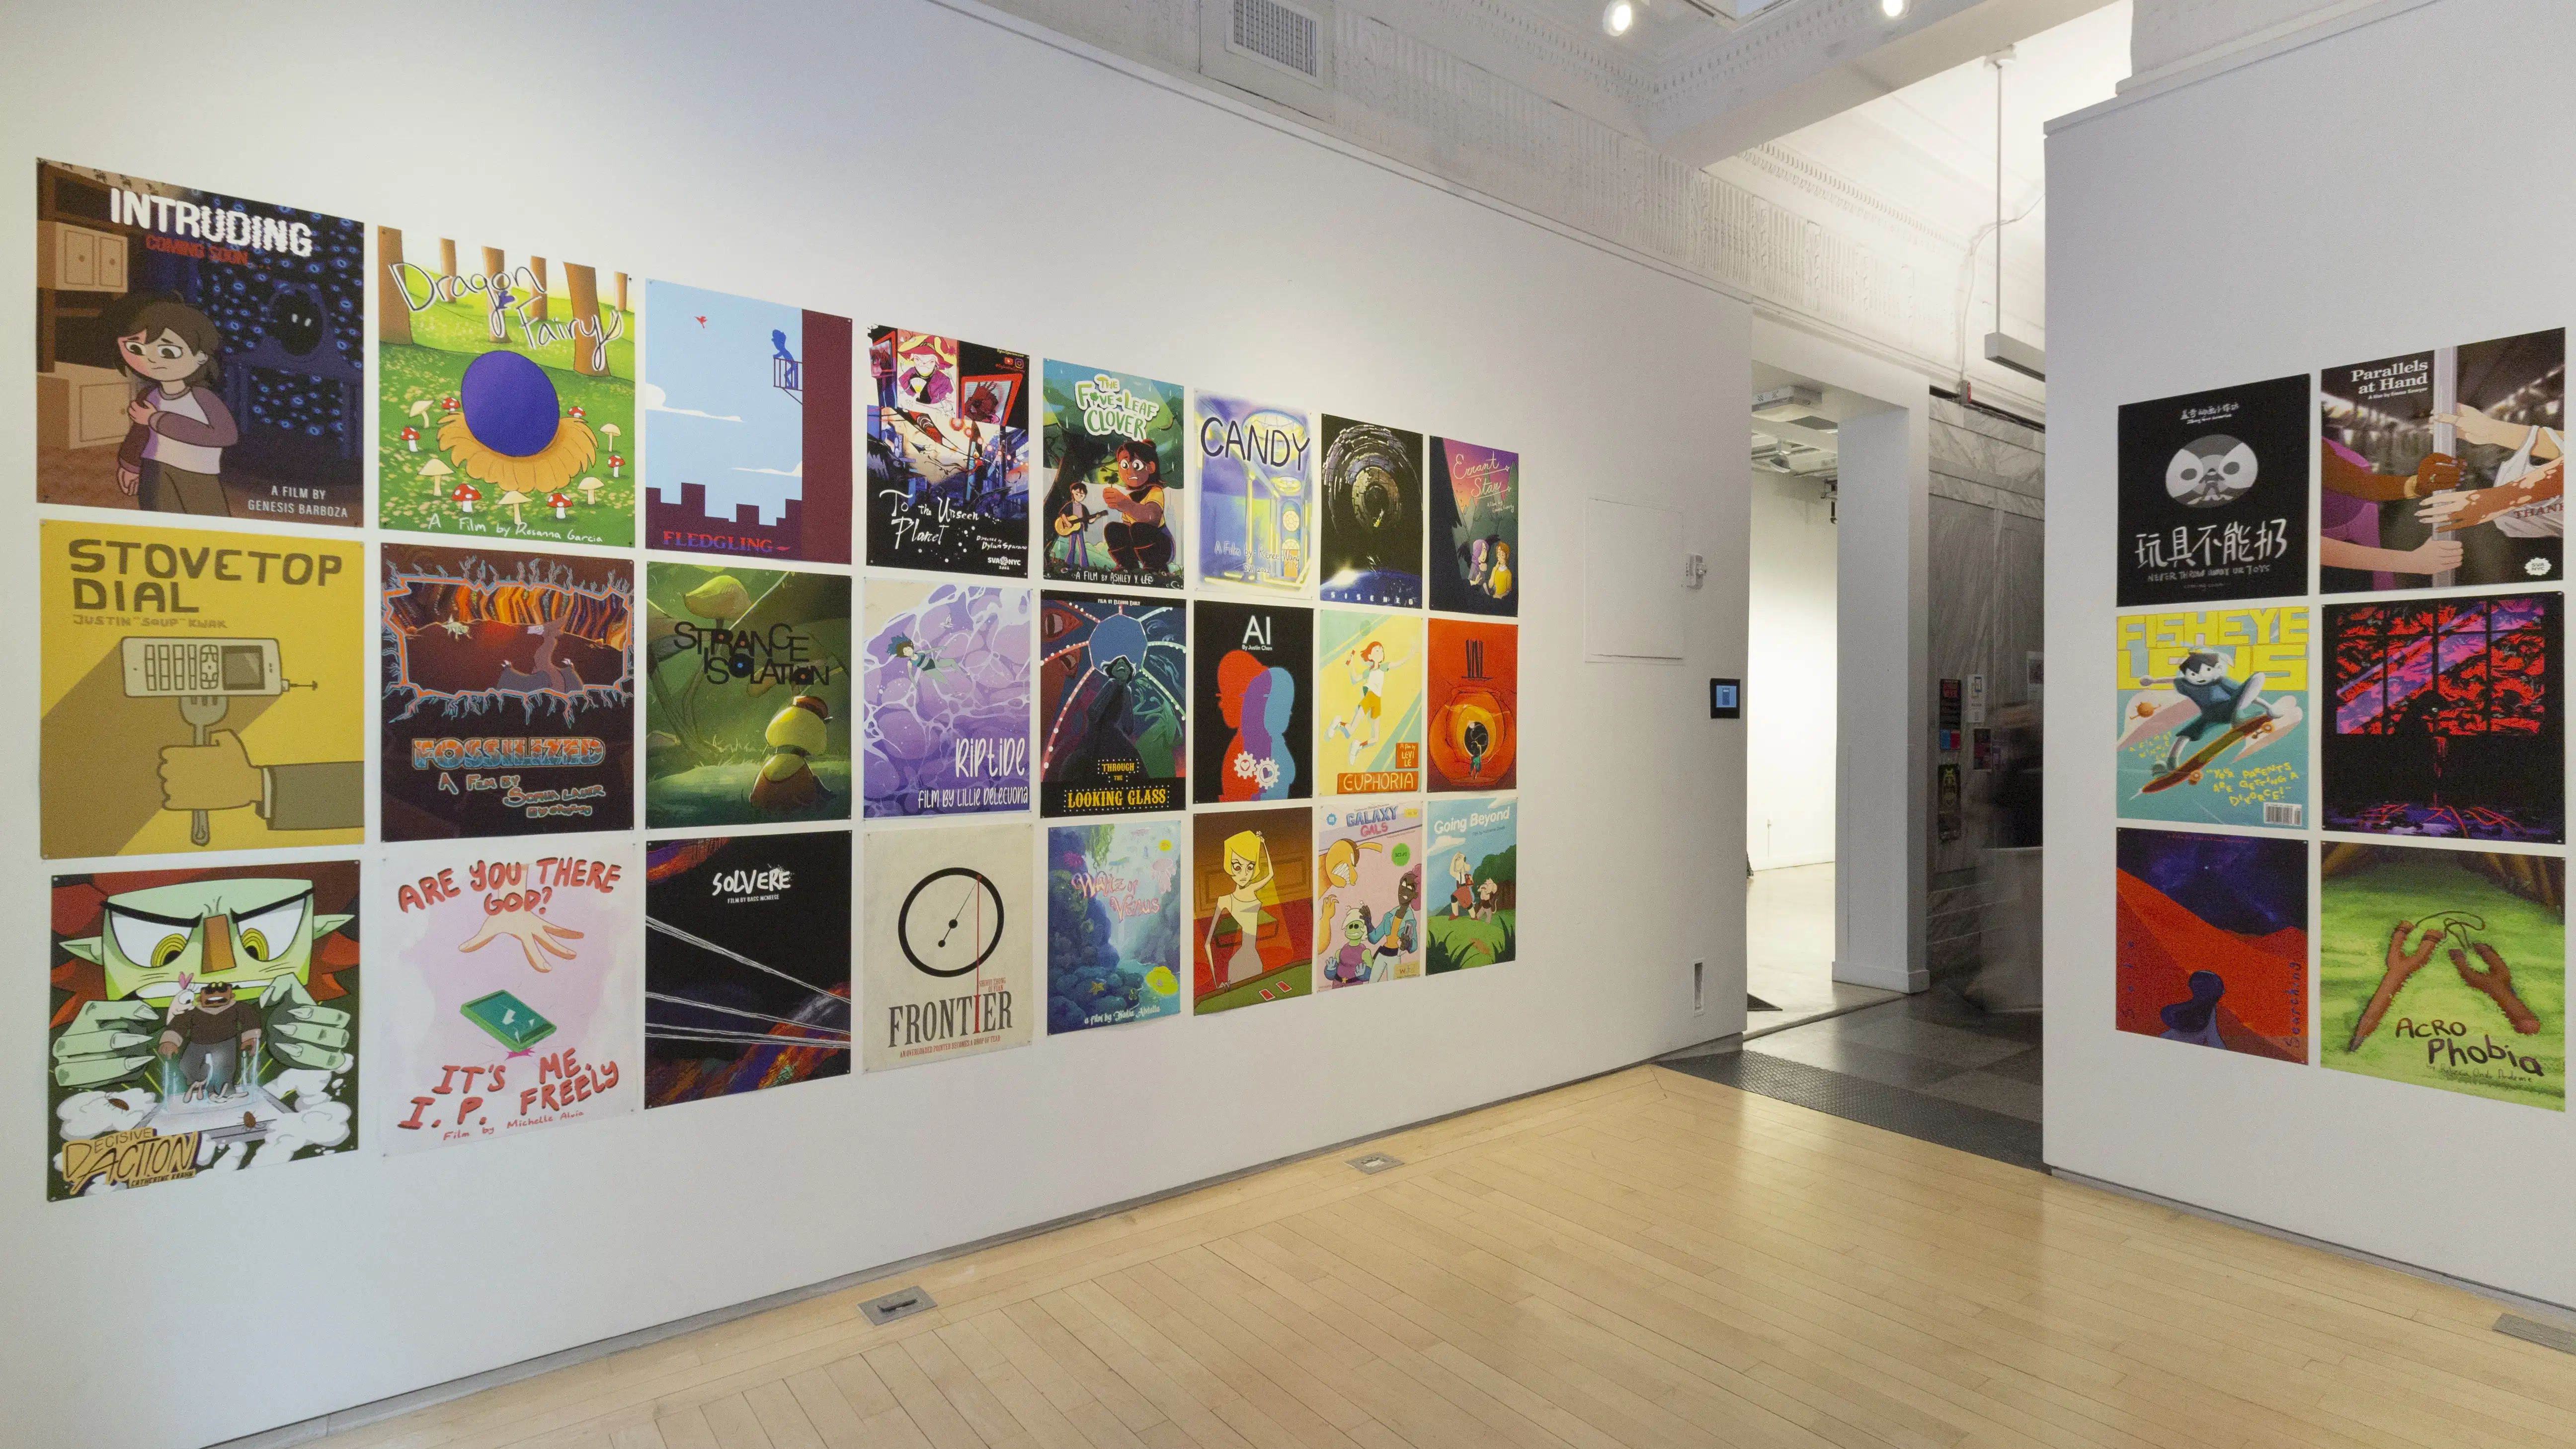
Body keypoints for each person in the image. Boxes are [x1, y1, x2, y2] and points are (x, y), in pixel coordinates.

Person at [113, 296, 240, 516]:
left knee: (211, 528)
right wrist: (130, 467)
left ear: (200, 358)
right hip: (155, 469)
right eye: (137, 348)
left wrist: (157, 420)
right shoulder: (149, 395)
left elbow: (226, 435)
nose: (151, 360)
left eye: (168, 352)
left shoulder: (203, 397)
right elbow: (139, 435)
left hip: (198, 473)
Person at [157, 980, 263, 1102]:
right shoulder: (193, 1012)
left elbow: (249, 1018)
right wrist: (170, 1041)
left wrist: (251, 1037)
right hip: (197, 1043)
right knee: (187, 1065)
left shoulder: (237, 1007)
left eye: (222, 992)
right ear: (199, 998)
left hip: (225, 1042)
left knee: (224, 1068)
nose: (215, 997)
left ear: (231, 995)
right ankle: (199, 1082)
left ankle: (225, 1091)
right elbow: (180, 1024)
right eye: (209, 993)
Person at [1205, 829, 1276, 987]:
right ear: (1229, 867)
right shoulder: (1224, 900)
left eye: (1250, 868)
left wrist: (1263, 845)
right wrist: (1217, 985)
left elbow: (1271, 874)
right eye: (1237, 867)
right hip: (1239, 962)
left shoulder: (1251, 889)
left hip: (1254, 958)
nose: (1244, 874)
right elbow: (1207, 943)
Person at [1100, 439, 1174, 575]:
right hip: (1139, 547)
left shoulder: (1155, 491)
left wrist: (1124, 504)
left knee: (1138, 528)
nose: (1129, 472)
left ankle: (1155, 567)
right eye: (1124, 465)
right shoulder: (1130, 498)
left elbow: (1152, 518)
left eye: (1137, 466)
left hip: (1161, 546)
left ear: (1151, 467)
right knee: (1113, 529)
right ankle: (1128, 565)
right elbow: (1126, 531)